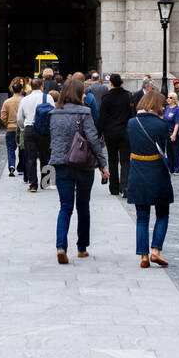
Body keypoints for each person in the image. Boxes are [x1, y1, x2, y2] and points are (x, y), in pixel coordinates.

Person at [47, 78, 109, 262]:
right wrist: (102, 165)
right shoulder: (85, 112)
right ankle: (82, 247)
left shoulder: (54, 113)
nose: (85, 95)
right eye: (82, 92)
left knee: (65, 207)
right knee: (83, 206)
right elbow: (93, 139)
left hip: (60, 164)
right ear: (78, 93)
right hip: (82, 164)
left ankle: (60, 247)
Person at [127, 90, 175, 268]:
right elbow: (166, 149)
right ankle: (156, 250)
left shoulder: (131, 123)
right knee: (162, 213)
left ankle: (144, 256)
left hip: (138, 169)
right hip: (157, 170)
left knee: (142, 216)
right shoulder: (161, 125)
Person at [98, 73, 134, 195]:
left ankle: (114, 187)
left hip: (110, 133)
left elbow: (102, 117)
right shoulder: (128, 96)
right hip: (125, 131)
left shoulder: (106, 97)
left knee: (112, 160)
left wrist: (99, 133)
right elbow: (132, 115)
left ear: (111, 83)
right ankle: (125, 186)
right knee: (125, 160)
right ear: (121, 83)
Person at [17, 76, 50, 191]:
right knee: (45, 156)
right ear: (42, 86)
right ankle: (45, 182)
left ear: (31, 87)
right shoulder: (48, 97)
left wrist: (23, 127)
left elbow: (19, 118)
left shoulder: (25, 99)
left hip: (29, 129)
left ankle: (33, 184)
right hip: (44, 130)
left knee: (30, 157)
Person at [0, 79, 24, 177]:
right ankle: (21, 168)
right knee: (22, 149)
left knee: (10, 149)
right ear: (21, 90)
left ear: (12, 90)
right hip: (22, 128)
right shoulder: (24, 100)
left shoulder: (7, 102)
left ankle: (11, 165)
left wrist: (8, 123)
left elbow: (3, 116)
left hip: (10, 128)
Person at [161, 92, 179, 174]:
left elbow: (177, 123)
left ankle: (178, 169)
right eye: (168, 97)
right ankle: (171, 169)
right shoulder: (167, 108)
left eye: (170, 97)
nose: (168, 99)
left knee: (176, 152)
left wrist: (174, 134)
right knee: (169, 152)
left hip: (175, 134)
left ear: (174, 100)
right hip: (167, 133)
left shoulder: (177, 109)